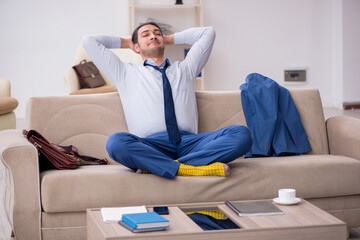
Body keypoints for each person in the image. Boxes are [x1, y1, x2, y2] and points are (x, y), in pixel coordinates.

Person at [82, 22, 253, 179]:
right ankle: (191, 168)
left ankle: (160, 166)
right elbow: (89, 41)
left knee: (242, 134)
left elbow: (208, 32)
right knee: (116, 143)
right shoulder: (125, 73)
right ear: (135, 46)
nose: (153, 36)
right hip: (151, 146)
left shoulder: (185, 69)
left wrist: (166, 39)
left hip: (190, 143)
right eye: (146, 34)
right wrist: (129, 42)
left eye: (157, 33)